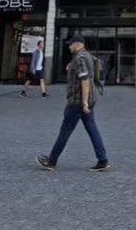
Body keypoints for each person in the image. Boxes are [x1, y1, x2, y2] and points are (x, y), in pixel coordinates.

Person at [36, 34, 110, 171]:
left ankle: (51, 162)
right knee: (92, 129)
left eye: (71, 44)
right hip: (89, 100)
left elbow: (85, 80)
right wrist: (71, 66)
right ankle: (103, 160)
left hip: (78, 102)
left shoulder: (80, 58)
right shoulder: (87, 55)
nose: (69, 47)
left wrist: (84, 102)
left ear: (77, 44)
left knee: (65, 131)